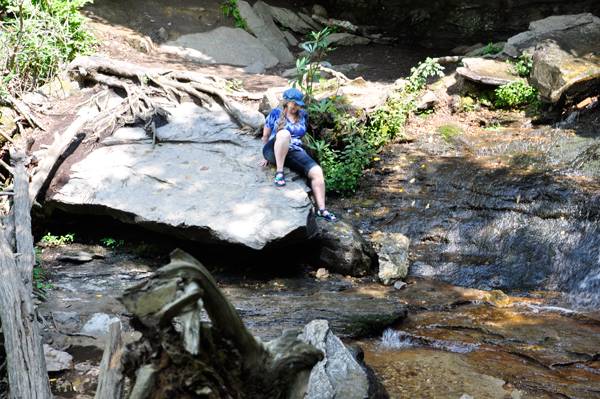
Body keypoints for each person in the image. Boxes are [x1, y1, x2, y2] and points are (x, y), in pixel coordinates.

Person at [258, 88, 338, 222]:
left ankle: (322, 210)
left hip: (294, 151)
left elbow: (302, 134)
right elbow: (266, 135)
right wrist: (265, 156)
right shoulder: (275, 113)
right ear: (286, 102)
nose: (296, 106)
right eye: (294, 103)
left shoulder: (303, 115)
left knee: (317, 172)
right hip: (274, 149)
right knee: (284, 134)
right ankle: (279, 172)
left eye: (298, 104)